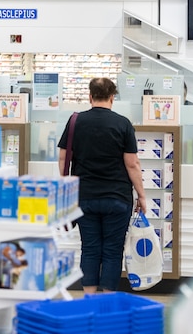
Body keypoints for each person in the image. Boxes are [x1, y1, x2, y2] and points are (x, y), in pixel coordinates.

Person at [58, 77, 147, 294]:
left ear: (90, 96)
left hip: (84, 197)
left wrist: (65, 189)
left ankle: (89, 298)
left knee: (89, 248)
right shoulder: (123, 123)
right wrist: (141, 195)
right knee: (112, 250)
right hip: (117, 198)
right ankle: (107, 300)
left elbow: (63, 158)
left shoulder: (75, 121)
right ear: (112, 97)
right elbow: (132, 164)